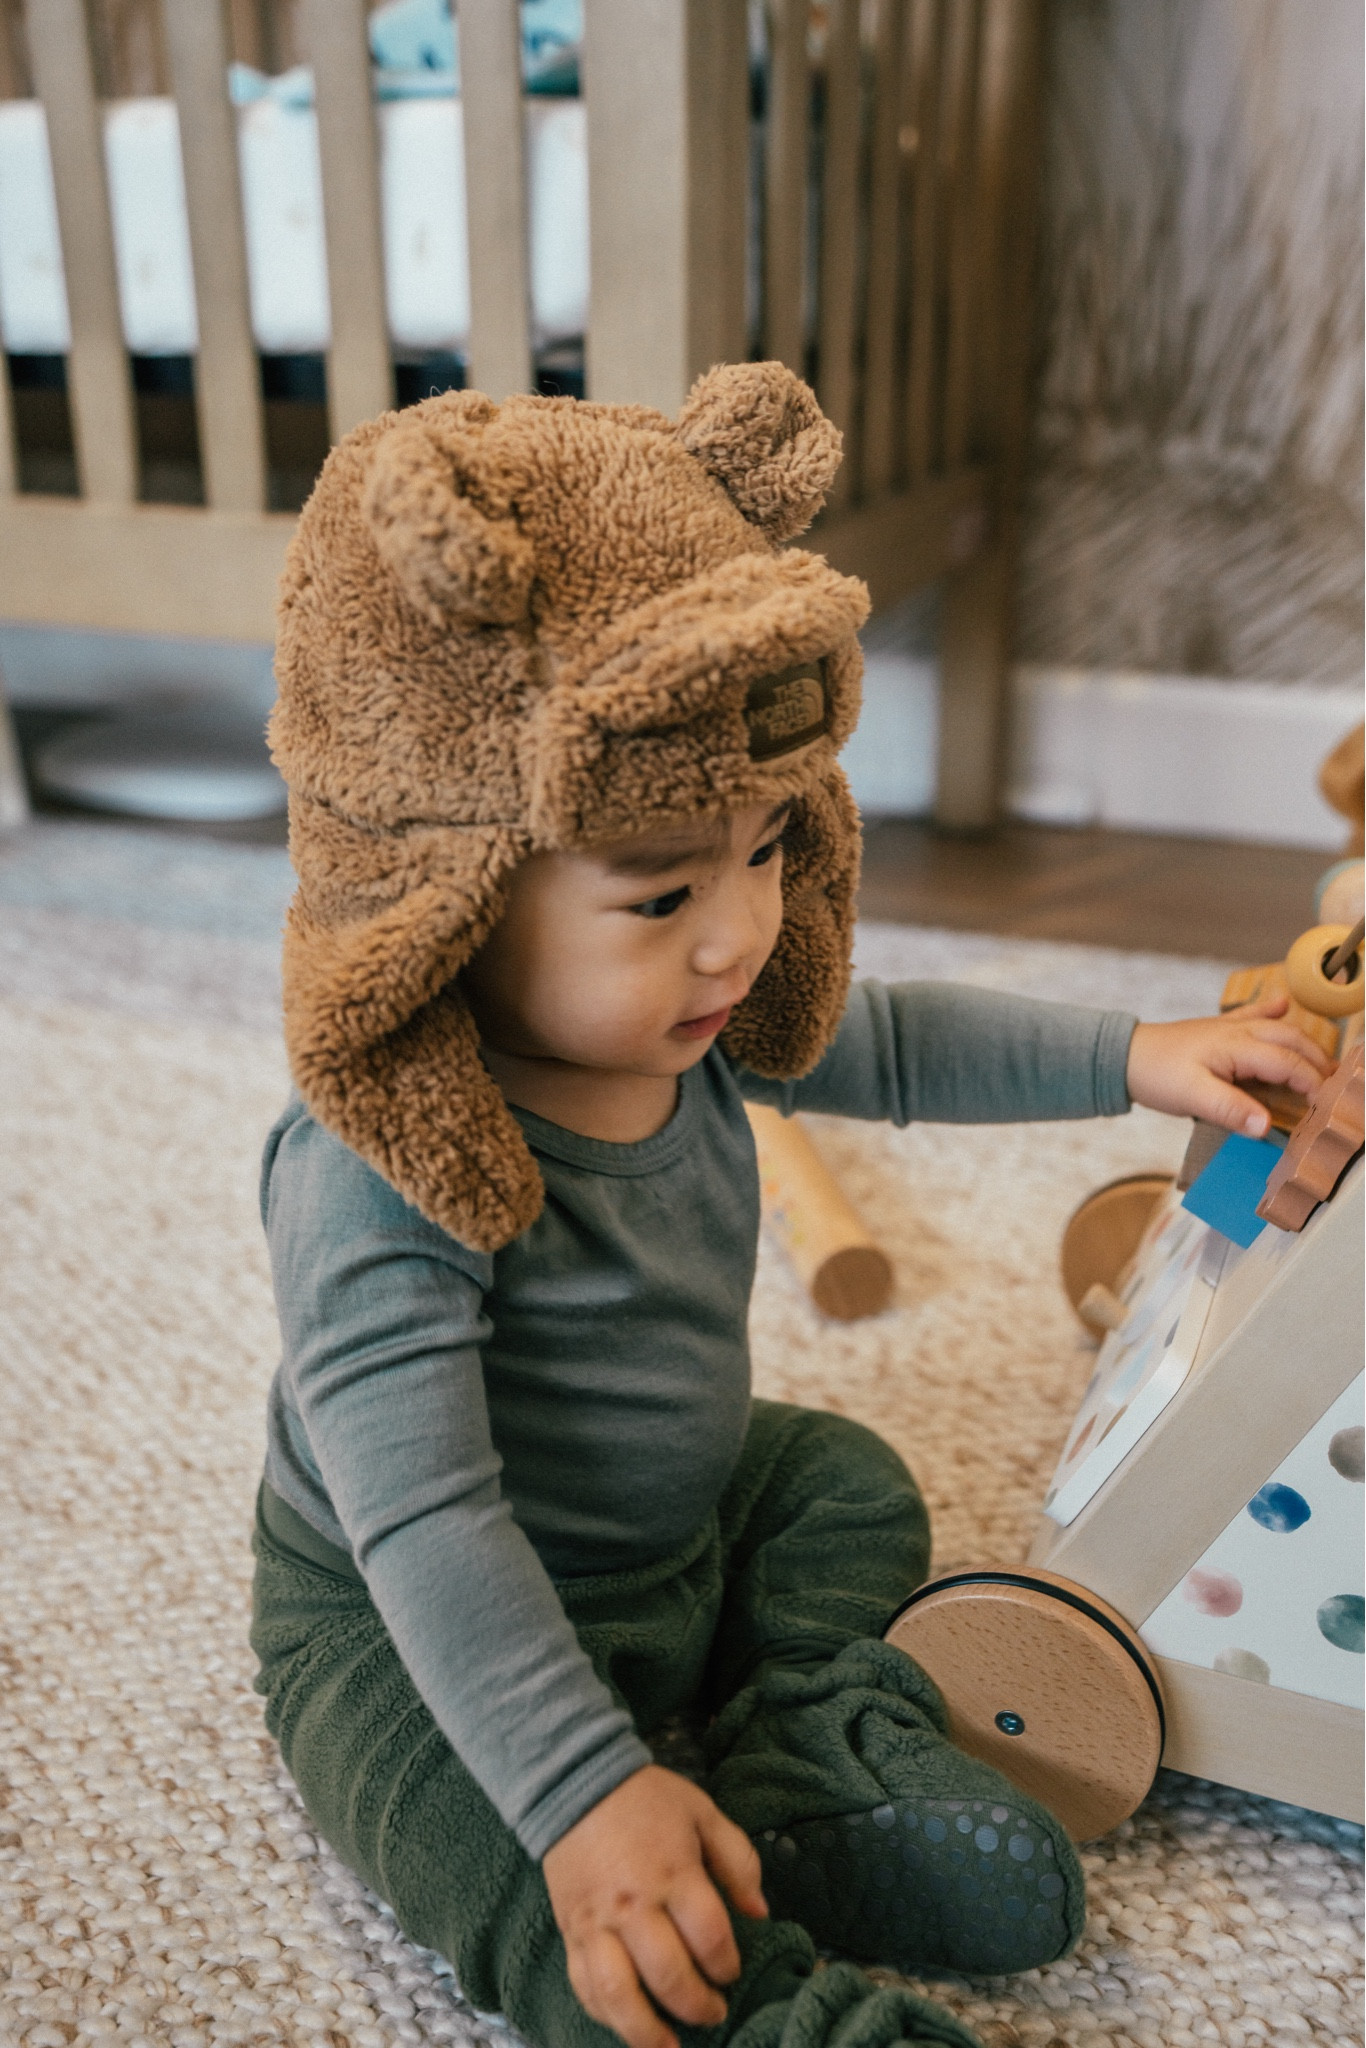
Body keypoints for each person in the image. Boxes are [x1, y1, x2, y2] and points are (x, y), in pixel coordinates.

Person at [251, 366, 1328, 2048]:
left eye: (767, 849)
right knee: (558, 1904)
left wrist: (1139, 1053)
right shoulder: (381, 1164)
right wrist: (580, 1790)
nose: (736, 934)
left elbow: (886, 1037)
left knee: (835, 1479)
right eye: (663, 889)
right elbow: (428, 1524)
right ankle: (777, 2017)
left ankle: (804, 1758)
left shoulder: (691, 1019)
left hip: (665, 1531)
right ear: (444, 889)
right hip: (413, 1639)